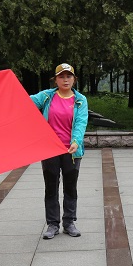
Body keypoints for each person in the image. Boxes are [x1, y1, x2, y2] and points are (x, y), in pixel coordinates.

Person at [31, 64, 89, 238]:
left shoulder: (80, 100)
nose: (65, 80)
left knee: (70, 187)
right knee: (51, 187)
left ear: (74, 80)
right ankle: (52, 224)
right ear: (55, 80)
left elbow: (81, 123)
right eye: (61, 77)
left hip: (72, 151)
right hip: (50, 150)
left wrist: (76, 141)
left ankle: (69, 222)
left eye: (68, 76)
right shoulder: (46, 97)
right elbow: (25, 102)